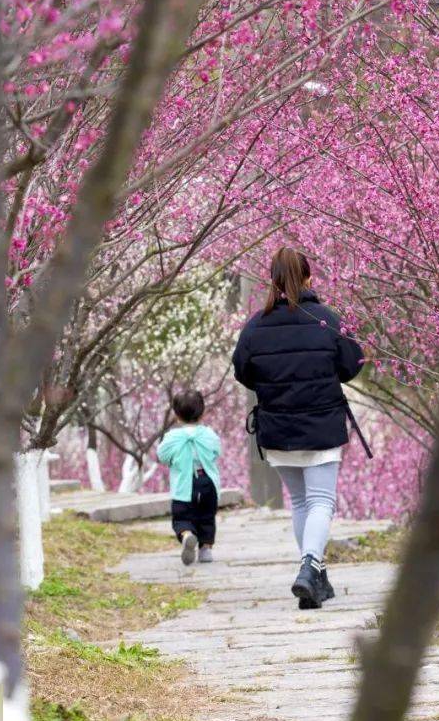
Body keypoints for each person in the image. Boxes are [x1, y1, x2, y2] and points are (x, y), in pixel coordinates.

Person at [232, 246, 367, 610]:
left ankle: (314, 576)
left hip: (277, 428)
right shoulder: (326, 319)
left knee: (301, 503)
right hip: (321, 424)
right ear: (308, 278)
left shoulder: (255, 327)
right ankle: (310, 567)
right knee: (321, 501)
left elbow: (243, 370)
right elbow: (353, 363)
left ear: (272, 281)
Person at [157, 388, 221, 566]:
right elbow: (217, 452)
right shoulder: (209, 434)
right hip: (207, 483)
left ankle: (187, 534)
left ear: (177, 415)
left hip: (183, 485)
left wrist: (174, 461)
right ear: (202, 412)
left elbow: (162, 455)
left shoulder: (172, 437)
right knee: (207, 517)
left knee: (182, 517)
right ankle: (206, 549)